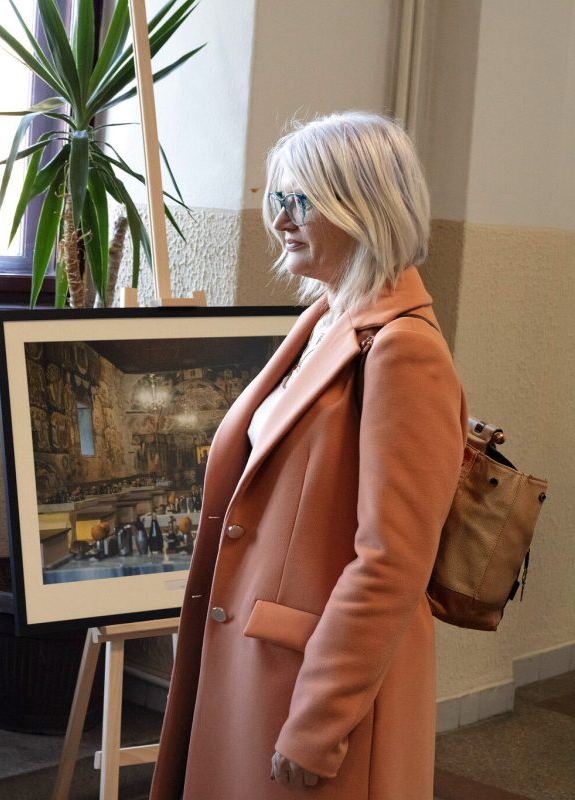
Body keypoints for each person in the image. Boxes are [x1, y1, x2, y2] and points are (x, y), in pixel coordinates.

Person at [150, 112, 467, 799]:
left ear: (365, 208)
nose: (280, 220)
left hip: (316, 685)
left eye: (301, 201)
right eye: (278, 199)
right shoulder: (325, 318)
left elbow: (392, 561)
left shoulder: (403, 350)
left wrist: (319, 721)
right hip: (262, 664)